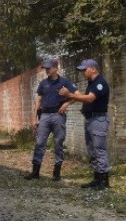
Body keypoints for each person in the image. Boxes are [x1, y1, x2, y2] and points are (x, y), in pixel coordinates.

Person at [59, 59, 111, 189]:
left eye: (84, 69)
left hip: (98, 120)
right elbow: (84, 97)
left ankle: (104, 181)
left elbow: (89, 98)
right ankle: (97, 178)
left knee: (99, 150)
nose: (83, 72)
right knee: (92, 151)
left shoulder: (100, 83)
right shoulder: (92, 83)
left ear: (93, 69)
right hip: (90, 120)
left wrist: (69, 94)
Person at [24, 58, 76, 181]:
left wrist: (66, 104)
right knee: (40, 143)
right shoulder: (43, 83)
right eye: (45, 68)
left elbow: (76, 95)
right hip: (45, 116)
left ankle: (56, 173)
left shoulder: (65, 82)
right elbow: (38, 100)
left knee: (58, 143)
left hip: (58, 115)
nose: (46, 70)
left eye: (49, 68)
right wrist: (34, 118)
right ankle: (35, 172)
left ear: (56, 68)